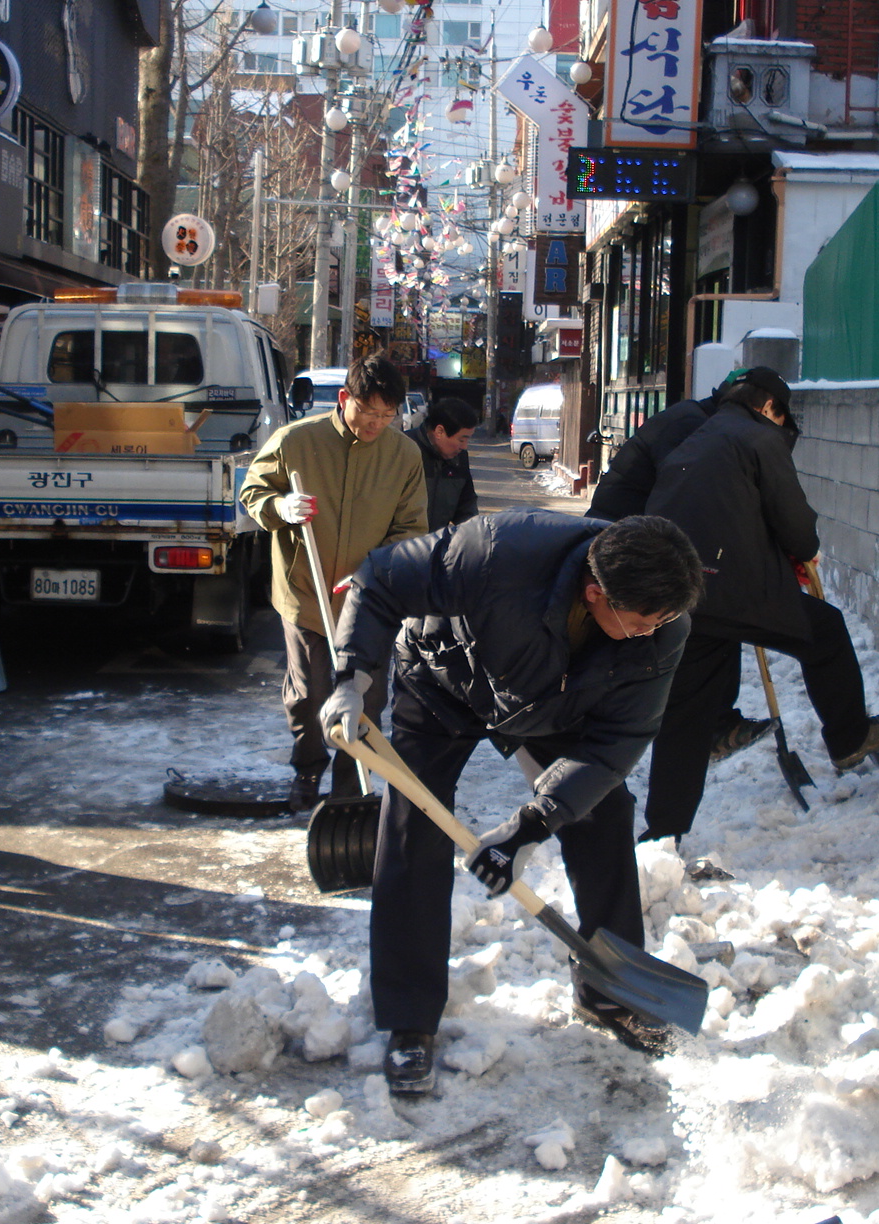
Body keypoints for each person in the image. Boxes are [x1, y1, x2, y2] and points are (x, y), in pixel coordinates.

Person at [318, 511, 704, 1093]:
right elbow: (381, 579)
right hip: (446, 678)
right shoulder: (496, 553)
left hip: (553, 703)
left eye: (664, 620)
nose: (657, 630)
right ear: (597, 593)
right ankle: (409, 1019)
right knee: (411, 827)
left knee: (604, 813)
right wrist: (351, 678)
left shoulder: (662, 629)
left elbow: (612, 747)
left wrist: (530, 826)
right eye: (645, 622)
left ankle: (610, 991)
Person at [638, 373, 879, 844]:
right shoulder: (760, 438)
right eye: (783, 416)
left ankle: (662, 833)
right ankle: (849, 737)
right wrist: (797, 548)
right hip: (730, 586)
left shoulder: (698, 438)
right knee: (824, 633)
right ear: (767, 407)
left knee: (687, 714)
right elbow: (797, 527)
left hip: (678, 585)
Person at [240, 353, 428, 809]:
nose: (376, 424)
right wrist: (280, 508)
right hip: (305, 592)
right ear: (345, 399)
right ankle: (307, 768)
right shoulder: (295, 441)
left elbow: (411, 528)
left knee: (365, 699)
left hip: (369, 601)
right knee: (308, 695)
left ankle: (349, 788)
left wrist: (373, 572)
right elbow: (253, 491)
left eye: (387, 416)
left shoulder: (403, 455)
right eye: (368, 412)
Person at [588, 366, 778, 760]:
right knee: (671, 624)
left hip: (634, 531)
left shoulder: (702, 422)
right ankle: (667, 722)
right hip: (621, 537)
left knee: (712, 621)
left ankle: (715, 722)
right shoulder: (693, 426)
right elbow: (684, 495)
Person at [406, 396, 479, 531]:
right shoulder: (403, 448)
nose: (464, 447)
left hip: (435, 546)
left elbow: (466, 509)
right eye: (461, 440)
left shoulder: (459, 459)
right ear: (440, 431)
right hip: (398, 547)